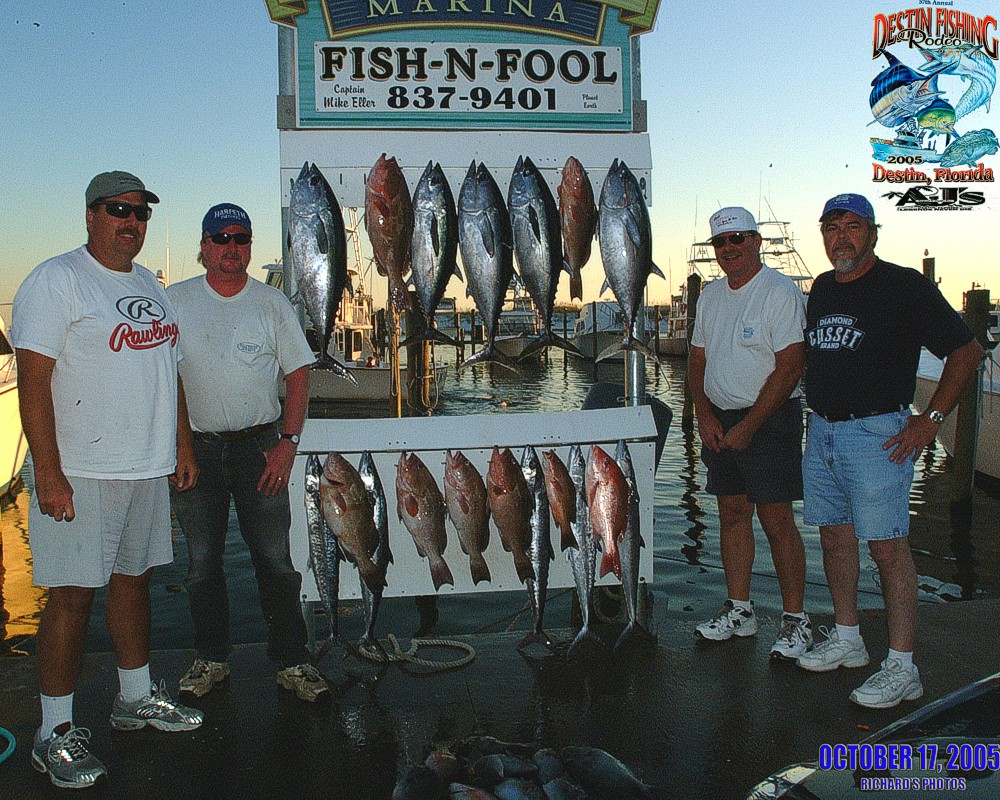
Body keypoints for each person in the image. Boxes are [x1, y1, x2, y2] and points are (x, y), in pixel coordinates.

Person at [13, 171, 203, 790]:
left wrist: (181, 446)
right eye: (119, 210)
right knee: (71, 597)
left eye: (141, 213)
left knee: (133, 584)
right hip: (82, 473)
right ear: (91, 215)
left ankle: (134, 696)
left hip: (145, 469)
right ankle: (53, 732)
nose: (132, 222)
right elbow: (33, 379)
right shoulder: (57, 279)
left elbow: (170, 371)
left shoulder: (150, 285)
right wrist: (48, 471)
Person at [796, 193, 983, 708]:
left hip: (878, 436)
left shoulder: (905, 286)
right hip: (823, 432)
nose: (841, 237)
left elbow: (967, 351)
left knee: (887, 550)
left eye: (852, 226)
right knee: (835, 540)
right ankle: (848, 639)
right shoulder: (821, 288)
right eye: (832, 228)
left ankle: (903, 667)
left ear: (873, 233)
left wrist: (930, 420)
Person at [167, 203, 329, 703]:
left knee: (275, 561)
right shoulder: (175, 301)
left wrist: (287, 444)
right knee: (201, 563)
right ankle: (211, 657)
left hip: (260, 448)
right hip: (197, 450)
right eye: (221, 238)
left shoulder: (271, 303)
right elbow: (166, 379)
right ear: (204, 246)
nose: (231, 247)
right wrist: (181, 448)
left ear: (250, 247)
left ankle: (293, 660)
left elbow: (298, 375)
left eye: (241, 238)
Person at [689, 206, 813, 659]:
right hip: (720, 423)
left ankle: (796, 620)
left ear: (756, 241)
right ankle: (740, 609)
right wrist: (705, 415)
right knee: (732, 514)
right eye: (720, 242)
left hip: (769, 421)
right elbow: (697, 361)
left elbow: (791, 366)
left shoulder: (779, 292)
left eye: (738, 238)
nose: (729, 248)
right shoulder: (710, 296)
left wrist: (750, 425)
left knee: (777, 520)